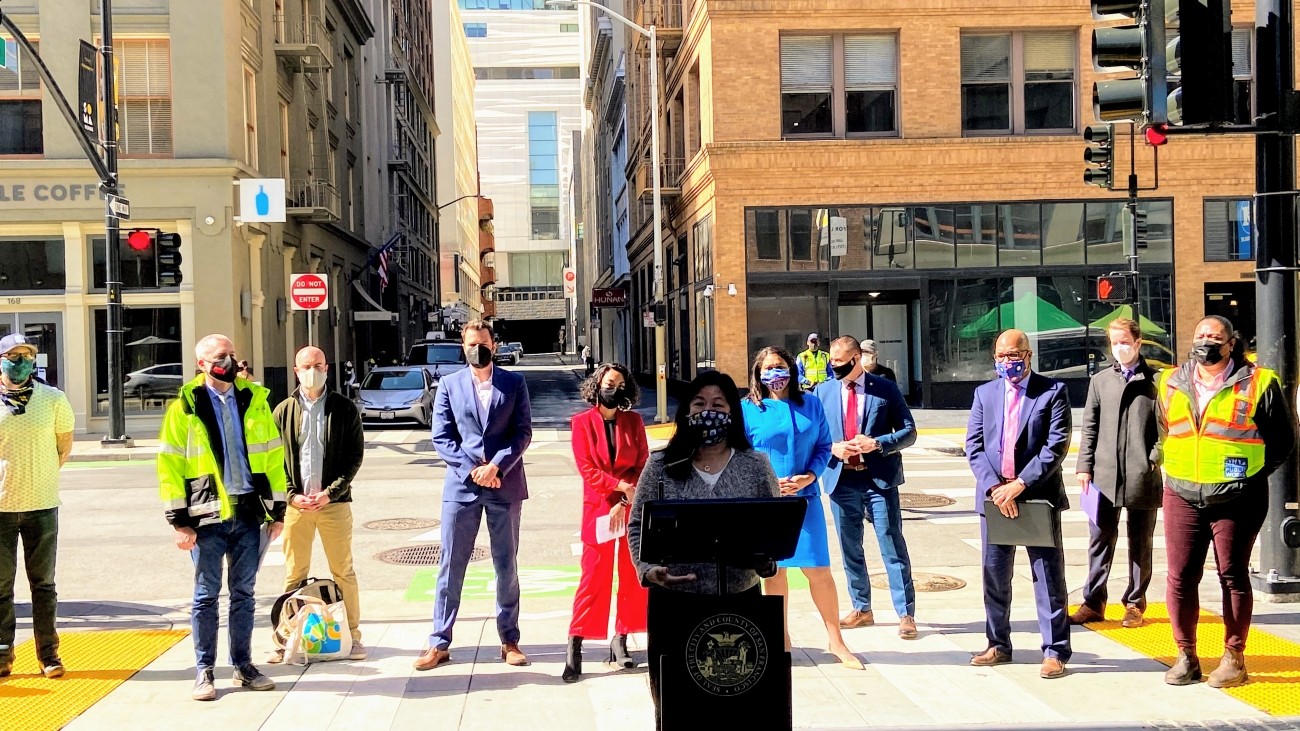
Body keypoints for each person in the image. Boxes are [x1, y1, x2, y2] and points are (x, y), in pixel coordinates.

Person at [626, 370, 781, 721]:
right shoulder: (661, 465)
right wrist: (647, 570)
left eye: (717, 404)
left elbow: (773, 527)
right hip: (674, 603)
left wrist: (766, 560)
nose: (707, 411)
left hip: (739, 604)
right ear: (686, 412)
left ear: (731, 413)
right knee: (676, 706)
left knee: (738, 707)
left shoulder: (756, 467)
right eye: (699, 404)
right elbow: (637, 524)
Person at [1155, 316, 1296, 688]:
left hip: (1237, 497)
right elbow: (1164, 430)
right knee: (1180, 577)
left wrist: (1248, 476)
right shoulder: (1170, 381)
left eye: (1215, 337)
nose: (1206, 342)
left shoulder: (1259, 382)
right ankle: (1186, 655)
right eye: (1200, 335)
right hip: (1181, 492)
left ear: (1230, 343)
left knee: (1232, 575)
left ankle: (1234, 656)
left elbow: (1283, 441)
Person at [157, 334, 287, 701]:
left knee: (244, 593)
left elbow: (273, 459)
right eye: (220, 356)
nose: (229, 361)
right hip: (206, 516)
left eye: (232, 354)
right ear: (201, 364)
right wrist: (178, 521)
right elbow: (170, 466)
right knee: (205, 596)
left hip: (248, 511)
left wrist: (277, 512)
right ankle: (205, 671)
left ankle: (243, 666)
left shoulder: (254, 400)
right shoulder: (185, 406)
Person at [416, 320, 533, 671]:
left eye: (482, 343)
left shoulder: (514, 382)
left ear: (493, 345)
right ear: (463, 347)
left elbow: (523, 432)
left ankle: (509, 639)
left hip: (504, 484)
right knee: (450, 565)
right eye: (470, 344)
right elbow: (442, 436)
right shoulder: (449, 385)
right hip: (462, 488)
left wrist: (497, 466)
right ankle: (440, 641)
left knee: (505, 565)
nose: (476, 349)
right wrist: (472, 469)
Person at [742, 346, 862, 669]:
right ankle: (780, 636)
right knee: (775, 573)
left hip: (805, 501)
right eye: (767, 368)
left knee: (819, 571)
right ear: (758, 374)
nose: (774, 374)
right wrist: (767, 483)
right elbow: (740, 455)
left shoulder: (811, 404)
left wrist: (810, 475)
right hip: (766, 505)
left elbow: (824, 446)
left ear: (791, 369)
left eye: (780, 366)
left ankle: (836, 640)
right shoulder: (748, 409)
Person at [965, 329, 1072, 680]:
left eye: (1013, 356)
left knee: (1048, 576)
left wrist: (1019, 484)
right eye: (1000, 357)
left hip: (1037, 496)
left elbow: (1055, 446)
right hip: (996, 499)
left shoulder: (1053, 392)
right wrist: (997, 488)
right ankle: (998, 643)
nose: (1006, 363)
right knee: (994, 575)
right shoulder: (984, 394)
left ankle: (1055, 650)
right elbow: (974, 446)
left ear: (1028, 355)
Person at [268, 346, 366, 664]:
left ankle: (354, 636)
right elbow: (273, 459)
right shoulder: (283, 411)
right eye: (307, 365)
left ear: (327, 368)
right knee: (294, 574)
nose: (313, 370)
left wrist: (330, 493)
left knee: (344, 571)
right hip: (296, 507)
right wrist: (291, 494)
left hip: (333, 506)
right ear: (296, 370)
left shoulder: (344, 408)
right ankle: (285, 639)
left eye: (319, 365)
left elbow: (354, 457)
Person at [816, 336, 919, 639]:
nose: (833, 367)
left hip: (879, 480)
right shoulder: (822, 392)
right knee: (850, 548)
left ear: (856, 358)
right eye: (831, 361)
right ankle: (862, 608)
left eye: (839, 361)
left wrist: (878, 443)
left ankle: (906, 613)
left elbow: (909, 432)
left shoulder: (884, 388)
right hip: (841, 479)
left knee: (891, 544)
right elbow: (817, 438)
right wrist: (834, 448)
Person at [1072, 318, 1161, 629]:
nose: (1119, 347)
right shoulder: (1100, 381)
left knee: (1140, 543)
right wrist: (1084, 466)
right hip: (1104, 475)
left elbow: (1167, 426)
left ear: (1138, 343)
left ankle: (1135, 603)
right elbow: (1090, 427)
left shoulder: (1156, 380)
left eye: (1124, 341)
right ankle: (1093, 601)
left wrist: (1155, 456)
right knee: (1100, 539)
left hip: (1141, 474)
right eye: (1114, 342)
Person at [564, 363, 650, 682]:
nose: (613, 388)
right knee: (594, 579)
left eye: (619, 384)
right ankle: (576, 643)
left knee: (631, 576)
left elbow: (642, 464)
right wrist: (617, 493)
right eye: (608, 382)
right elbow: (588, 468)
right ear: (597, 385)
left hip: (629, 509)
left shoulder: (634, 422)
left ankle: (621, 638)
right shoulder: (581, 423)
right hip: (599, 509)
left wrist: (626, 498)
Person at [0, 334, 73, 680]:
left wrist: (40, 474)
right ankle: (3, 654)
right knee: (1, 586)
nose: (20, 361)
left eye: (27, 356)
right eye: (13, 356)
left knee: (43, 584)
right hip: (0, 508)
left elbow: (63, 445)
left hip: (42, 505)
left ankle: (48, 654)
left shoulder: (53, 399)